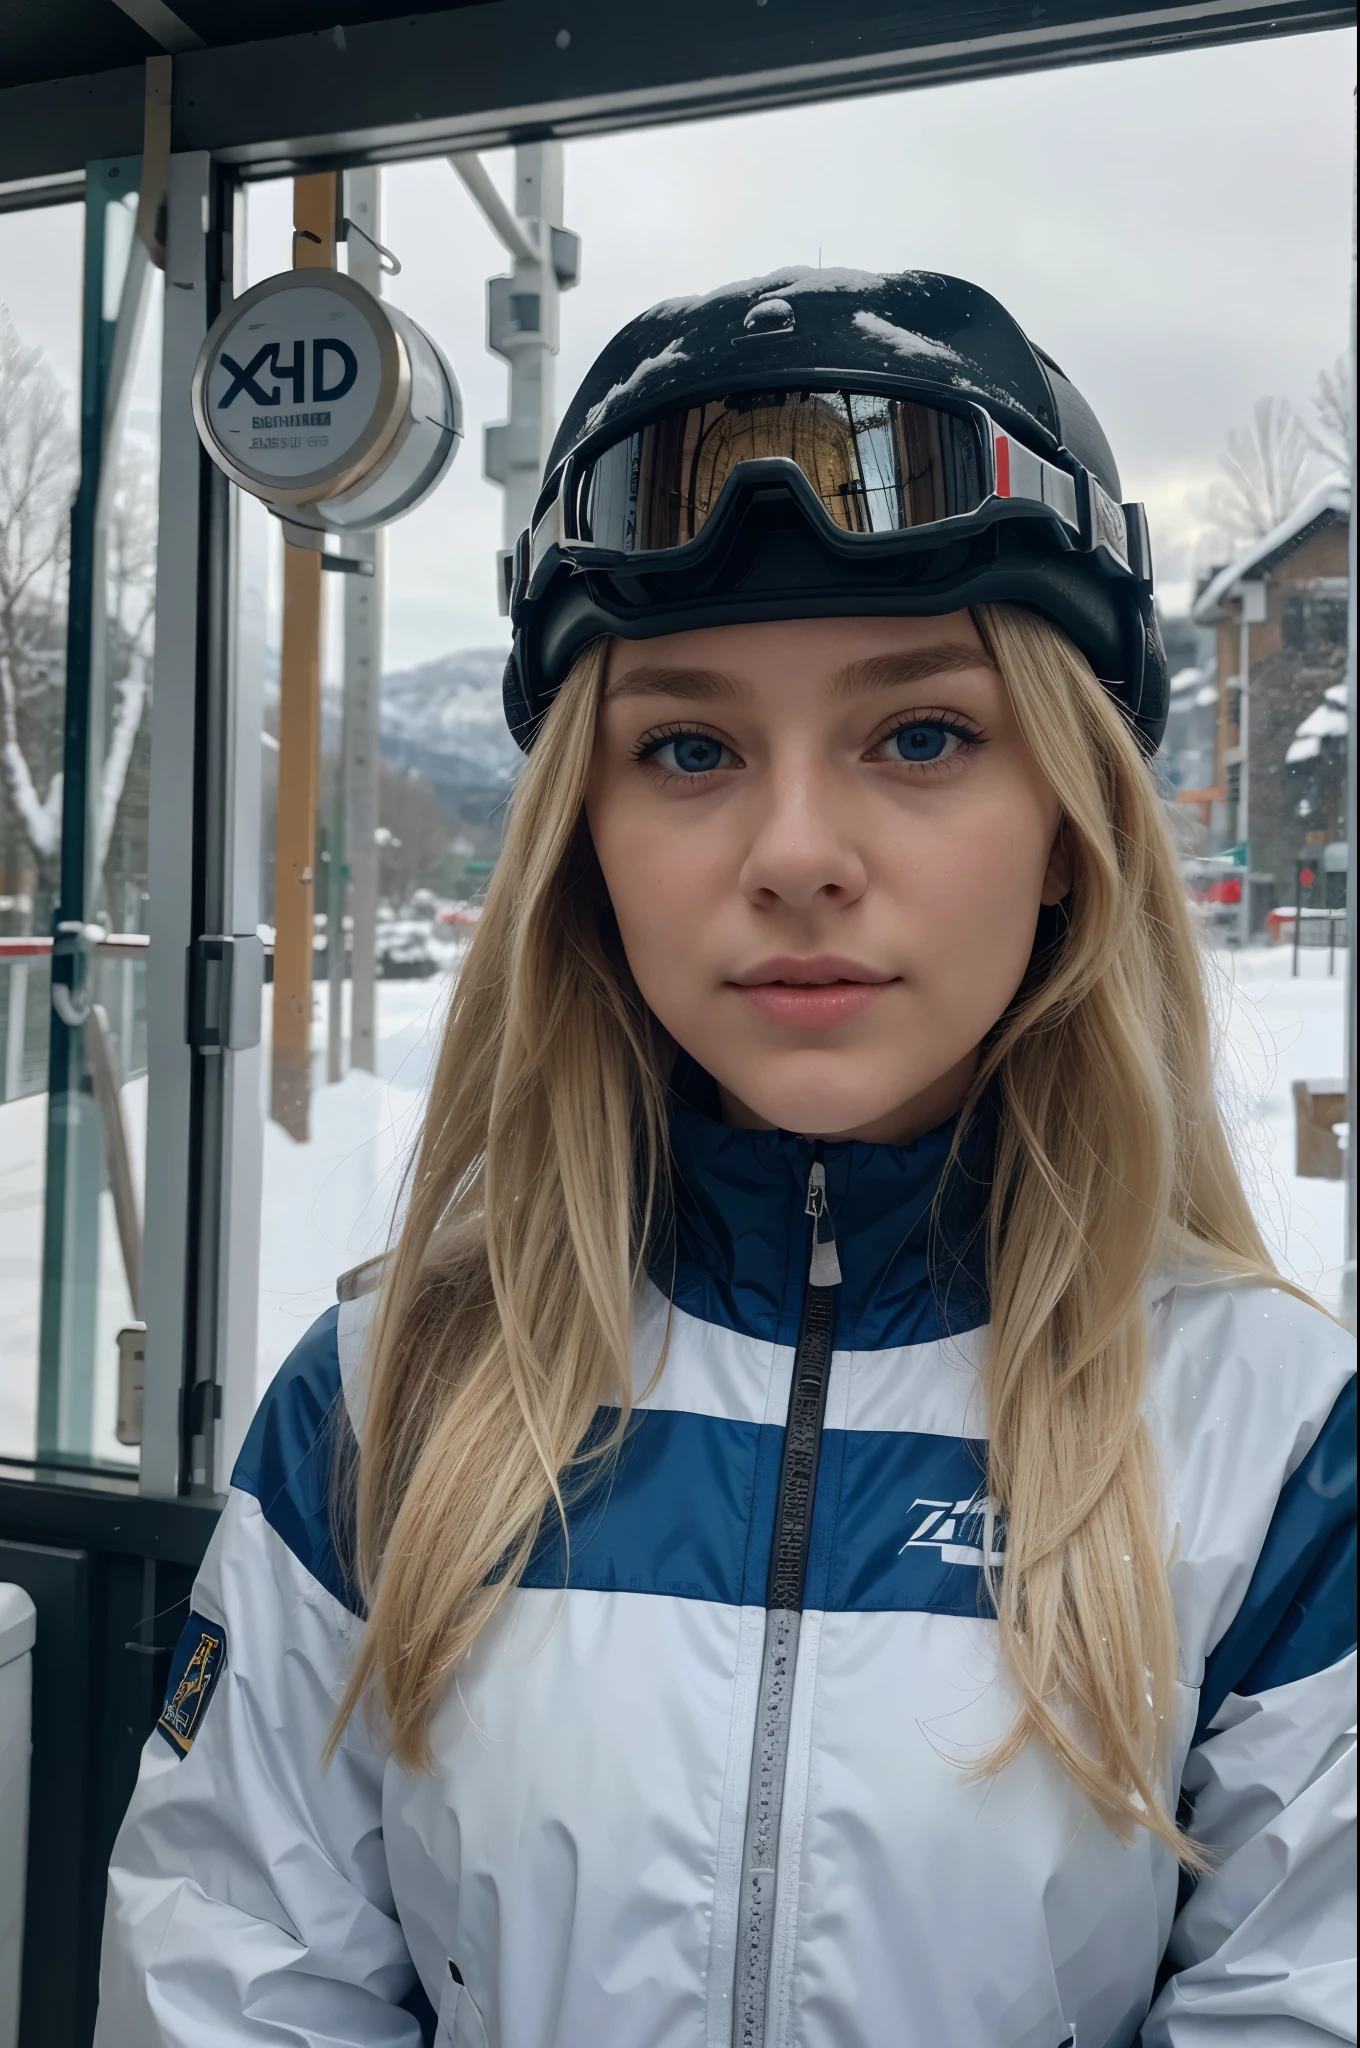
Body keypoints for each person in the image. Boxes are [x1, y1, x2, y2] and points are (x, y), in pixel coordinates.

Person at [96, 270, 1355, 2048]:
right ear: (585, 841)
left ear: (1071, 825)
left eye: (922, 735)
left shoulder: (1281, 1448)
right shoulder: (387, 1411)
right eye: (687, 747)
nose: (794, 853)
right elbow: (224, 1991)